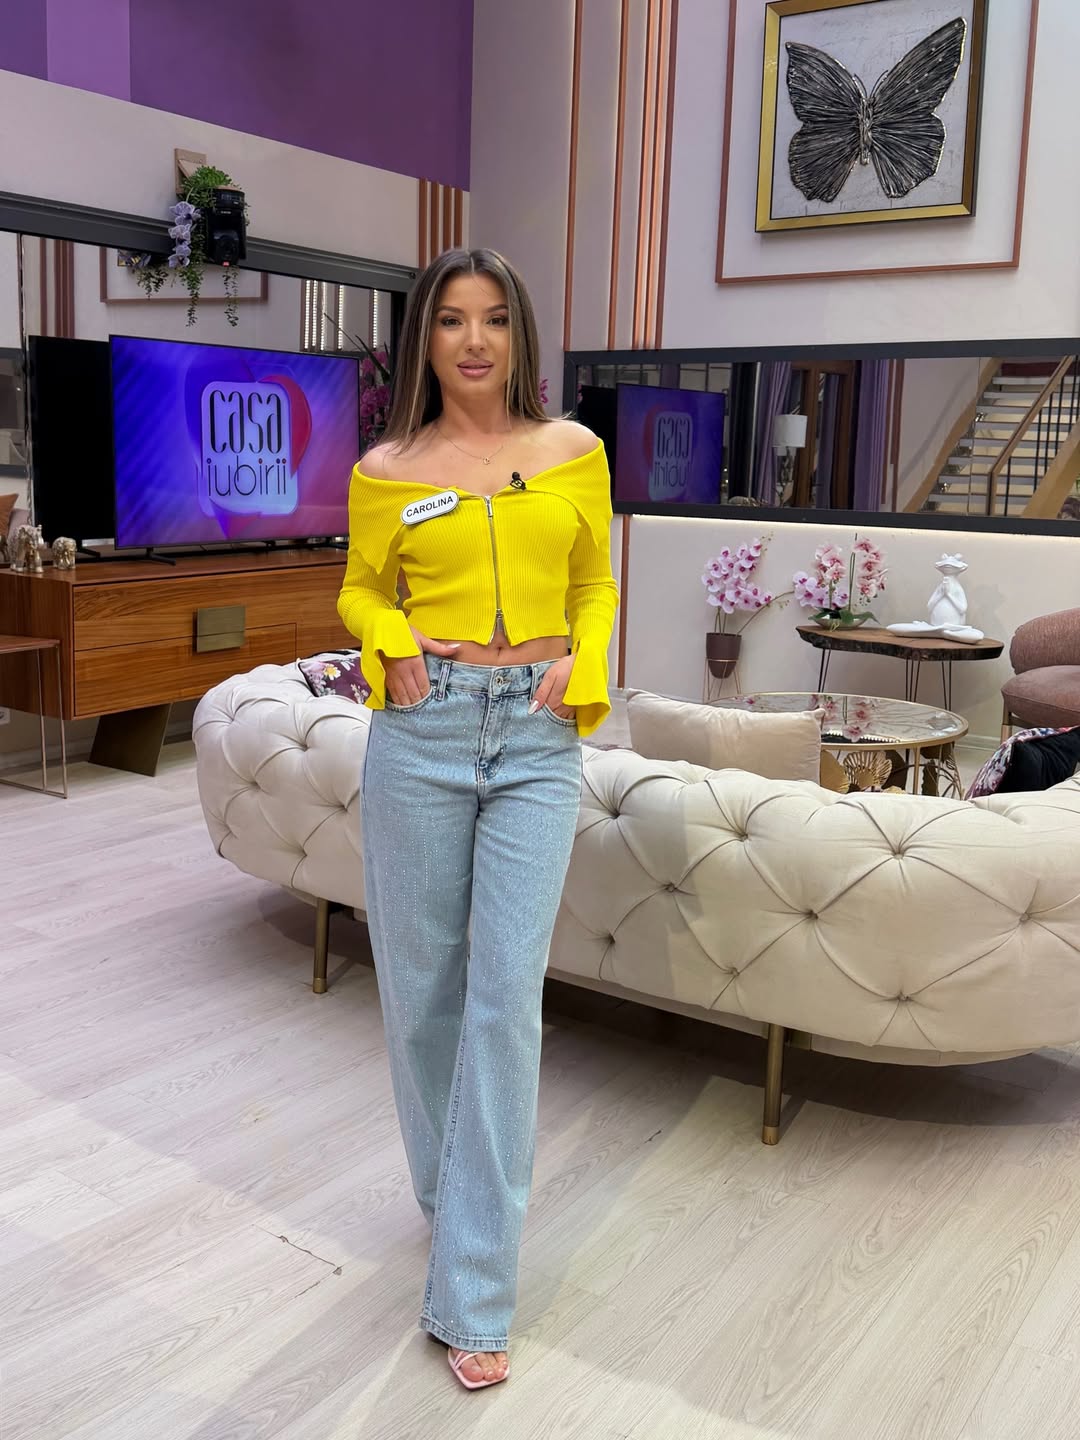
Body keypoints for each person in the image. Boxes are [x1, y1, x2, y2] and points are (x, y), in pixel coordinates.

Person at [337, 248, 619, 1390]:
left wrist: (585, 664)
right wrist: (388, 640)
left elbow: (594, 583)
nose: (474, 341)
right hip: (423, 731)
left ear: (519, 335)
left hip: (538, 737)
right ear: (426, 338)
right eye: (452, 320)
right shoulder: (385, 469)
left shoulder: (575, 453)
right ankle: (452, 1207)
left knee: (505, 1002)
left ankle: (474, 1292)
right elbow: (361, 587)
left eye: (494, 319)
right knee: (421, 997)